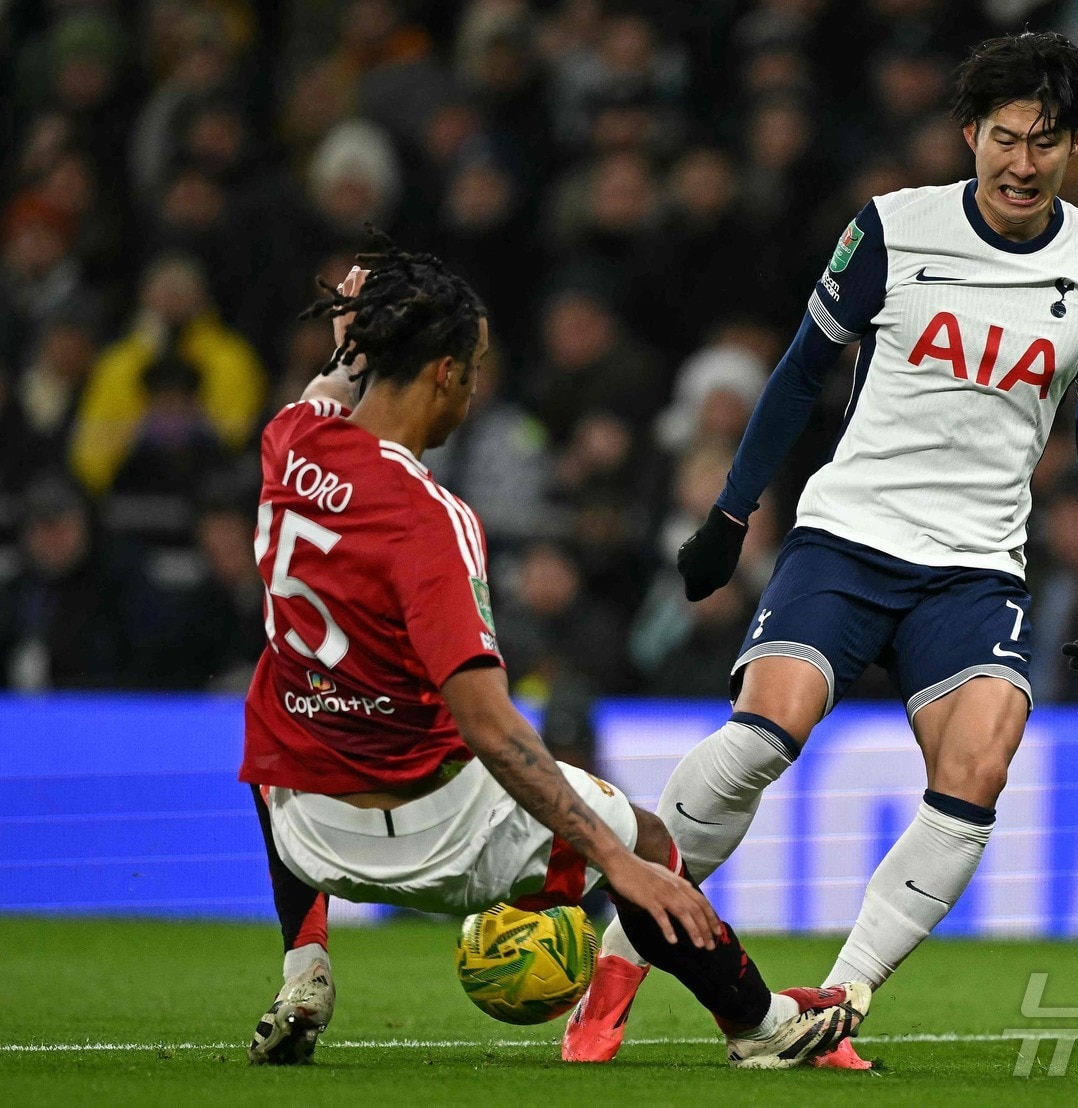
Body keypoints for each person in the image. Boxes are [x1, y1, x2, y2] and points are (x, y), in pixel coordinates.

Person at [564, 31, 1078, 1069]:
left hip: (975, 565)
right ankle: (622, 948)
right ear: (967, 135)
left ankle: (839, 998)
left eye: (1043, 143)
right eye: (1002, 139)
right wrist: (729, 517)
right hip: (848, 536)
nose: (1019, 163)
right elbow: (795, 374)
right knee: (760, 737)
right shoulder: (890, 229)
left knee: (979, 766)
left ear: (1074, 145)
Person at [239, 236, 869, 1069]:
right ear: (445, 375)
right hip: (440, 834)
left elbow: (333, 378)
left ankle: (305, 966)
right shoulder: (431, 519)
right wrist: (616, 864)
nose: (475, 385)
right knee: (646, 842)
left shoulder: (290, 439)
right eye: (476, 366)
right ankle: (759, 1025)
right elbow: (491, 729)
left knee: (278, 685)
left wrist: (356, 326)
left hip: (308, 832)